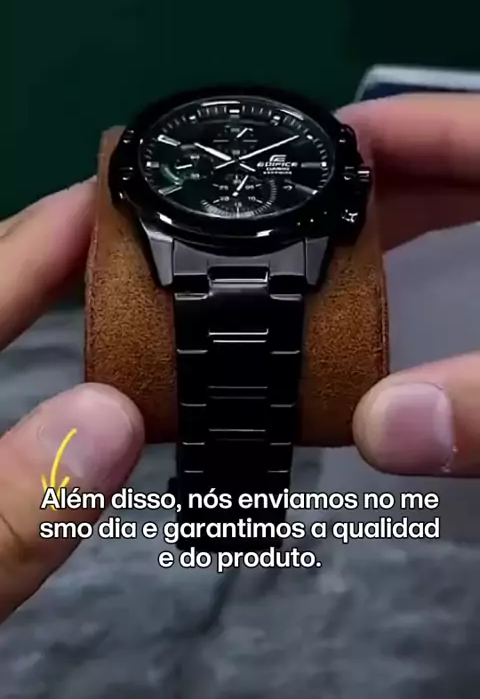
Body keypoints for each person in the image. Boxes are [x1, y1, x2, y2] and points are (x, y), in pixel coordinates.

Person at [0, 92, 479, 624]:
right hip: (192, 243)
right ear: (133, 181)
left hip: (288, 243)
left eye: (251, 157)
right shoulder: (157, 209)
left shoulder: (326, 205)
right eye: (214, 159)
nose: (234, 166)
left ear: (348, 185)